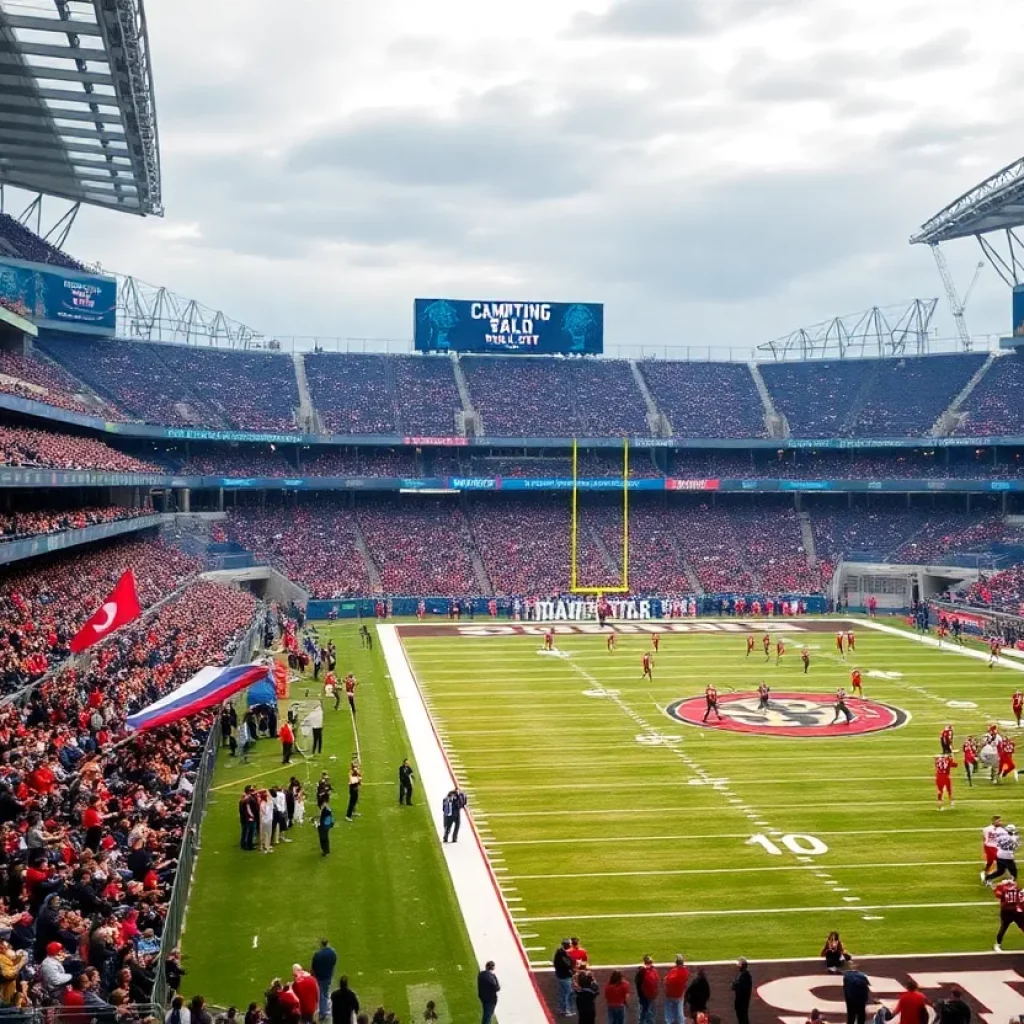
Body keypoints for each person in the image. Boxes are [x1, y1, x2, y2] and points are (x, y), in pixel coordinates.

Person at [311, 940, 337, 1022]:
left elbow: (313, 967)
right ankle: (325, 1009)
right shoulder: (332, 953)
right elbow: (334, 963)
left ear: (321, 944)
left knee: (321, 994)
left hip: (319, 977)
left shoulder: (317, 954)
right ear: (328, 944)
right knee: (325, 992)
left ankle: (323, 1012)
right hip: (328, 976)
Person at [664, 954, 689, 1024]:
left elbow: (666, 982)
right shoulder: (685, 972)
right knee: (679, 1012)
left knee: (668, 1012)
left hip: (670, 995)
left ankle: (669, 1022)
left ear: (676, 962)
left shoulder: (672, 971)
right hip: (679, 996)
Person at [553, 939, 575, 1017]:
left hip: (561, 975)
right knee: (568, 992)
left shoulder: (560, 952)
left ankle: (562, 1009)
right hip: (564, 976)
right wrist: (572, 967)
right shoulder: (562, 953)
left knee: (563, 993)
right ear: (566, 945)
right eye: (569, 944)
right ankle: (566, 1010)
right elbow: (567, 964)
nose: (570, 945)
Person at [635, 955, 659, 1024]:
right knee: (649, 1012)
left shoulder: (642, 971)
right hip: (651, 996)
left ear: (644, 962)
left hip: (643, 996)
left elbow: (637, 983)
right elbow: (657, 981)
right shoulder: (654, 971)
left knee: (644, 1012)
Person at [732, 958, 752, 1024]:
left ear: (742, 966)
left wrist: (735, 984)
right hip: (741, 1002)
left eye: (738, 965)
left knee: (743, 1019)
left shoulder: (745, 976)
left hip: (742, 1002)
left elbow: (740, 988)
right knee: (742, 1018)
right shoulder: (743, 975)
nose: (737, 966)